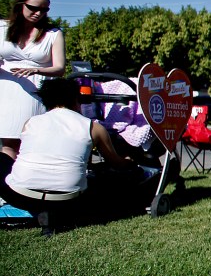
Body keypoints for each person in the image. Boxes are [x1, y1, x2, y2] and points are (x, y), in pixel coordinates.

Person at [0, 78, 136, 228]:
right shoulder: (93, 128)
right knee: (104, 177)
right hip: (68, 198)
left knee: (3, 159)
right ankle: (57, 212)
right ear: (76, 99)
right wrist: (130, 162)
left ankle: (41, 211)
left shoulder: (31, 122)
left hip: (22, 196)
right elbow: (116, 163)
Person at [0, 0, 66, 158]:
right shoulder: (2, 27)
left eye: (44, 10)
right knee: (8, 145)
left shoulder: (53, 34)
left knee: (31, 143)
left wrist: (36, 69)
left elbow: (60, 69)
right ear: (20, 5)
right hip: (6, 89)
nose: (38, 13)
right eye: (33, 8)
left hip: (35, 91)